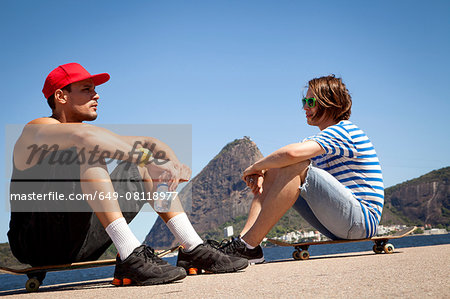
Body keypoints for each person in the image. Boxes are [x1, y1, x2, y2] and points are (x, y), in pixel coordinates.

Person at [8, 63, 247, 286]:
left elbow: (149, 142)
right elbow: (87, 140)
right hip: (35, 241)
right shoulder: (36, 129)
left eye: (95, 90)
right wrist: (149, 159)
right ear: (61, 96)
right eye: (86, 89)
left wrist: (169, 165)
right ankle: (130, 253)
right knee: (94, 149)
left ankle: (192, 247)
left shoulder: (83, 133)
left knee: (142, 163)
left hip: (83, 239)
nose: (97, 95)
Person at [219, 75, 384, 263]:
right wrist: (263, 173)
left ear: (329, 103)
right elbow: (284, 158)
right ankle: (245, 244)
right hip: (337, 223)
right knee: (277, 168)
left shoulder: (345, 130)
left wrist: (254, 167)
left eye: (311, 101)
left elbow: (292, 154)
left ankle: (248, 246)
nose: (305, 107)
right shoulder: (319, 141)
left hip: (362, 221)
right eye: (304, 101)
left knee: (295, 163)